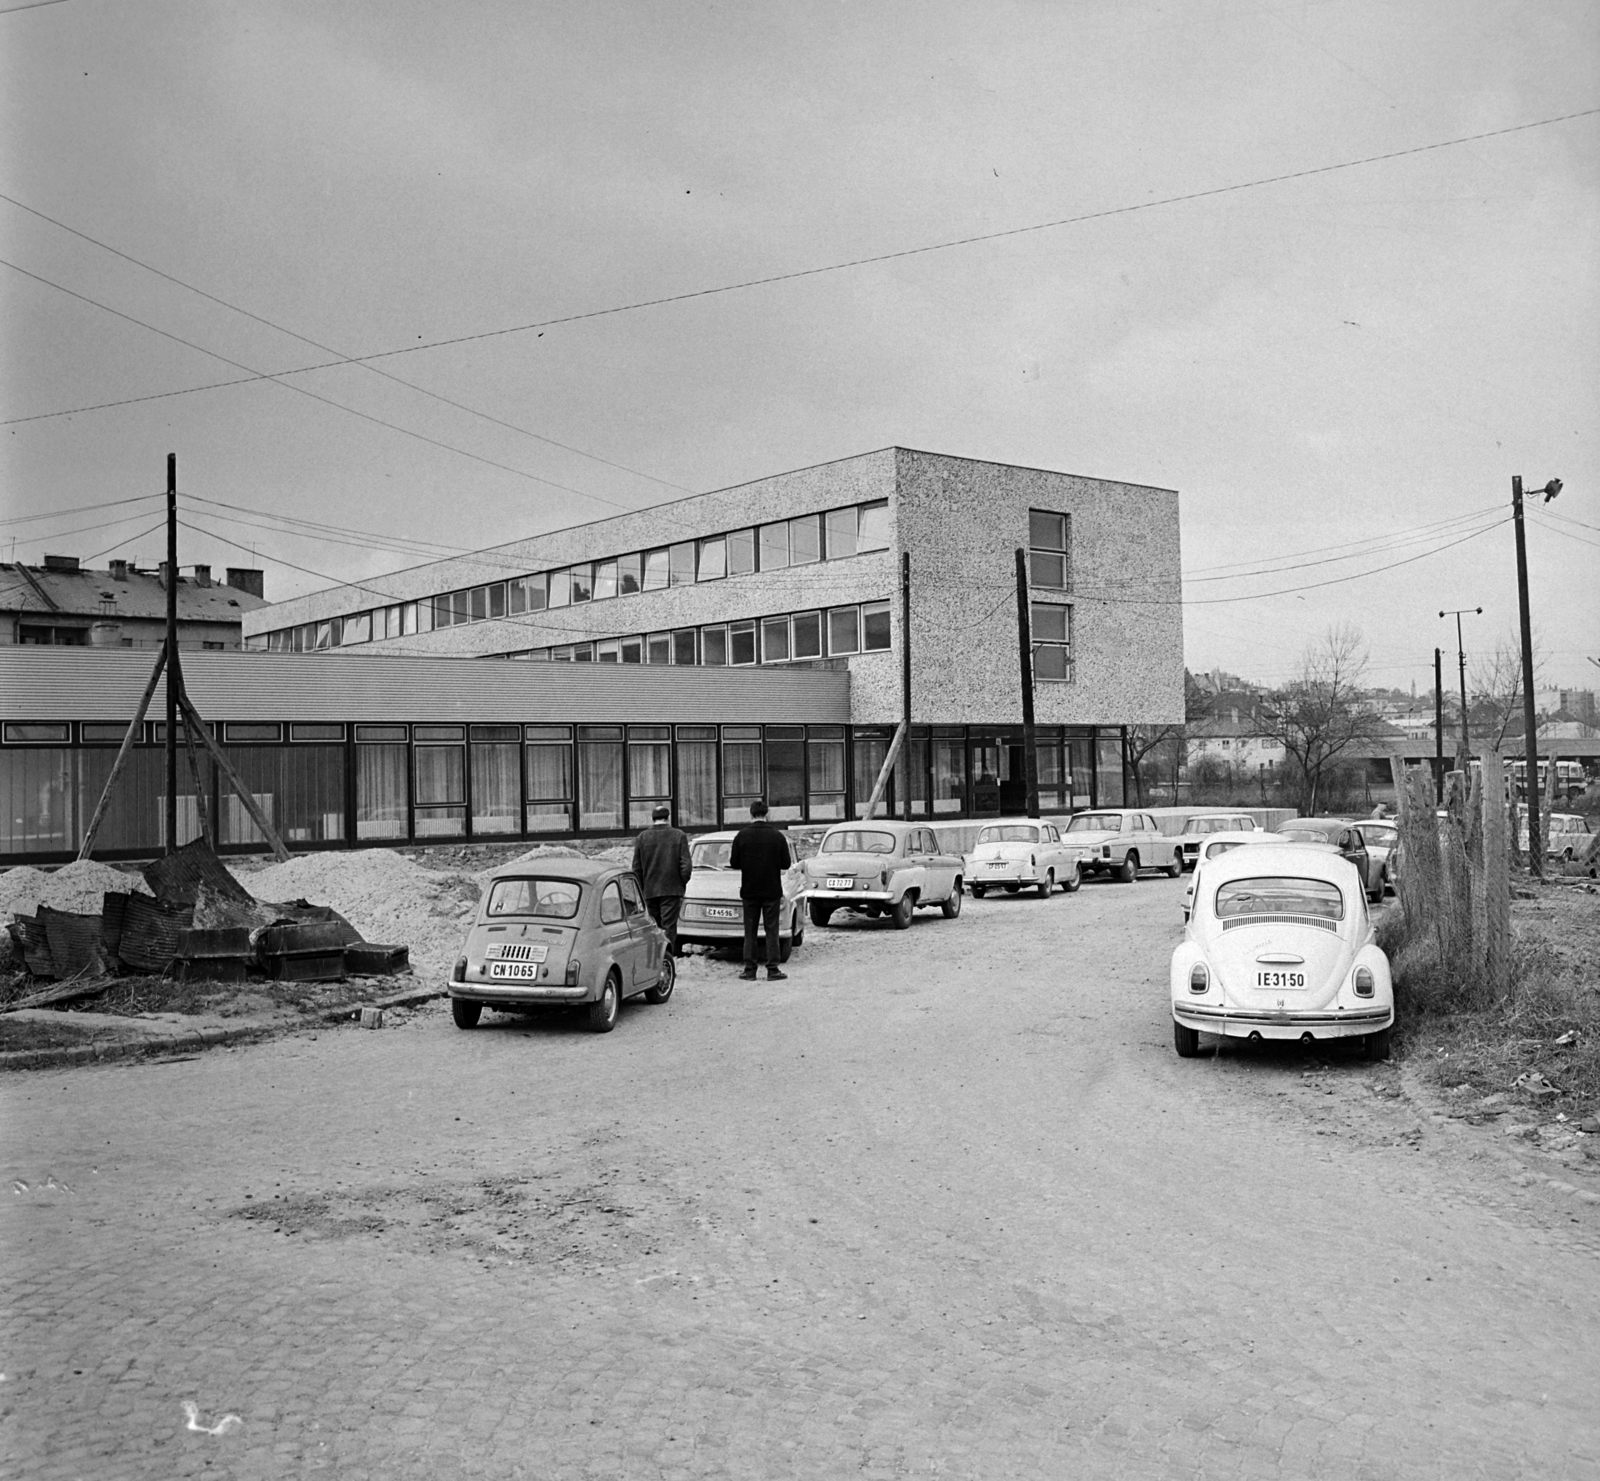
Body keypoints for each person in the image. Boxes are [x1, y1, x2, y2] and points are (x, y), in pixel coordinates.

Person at [728, 798, 791, 981]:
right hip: (771, 889)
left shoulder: (742, 836)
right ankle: (773, 969)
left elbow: (734, 863)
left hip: (750, 890)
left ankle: (750, 970)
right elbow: (786, 863)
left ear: (751, 814)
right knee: (772, 930)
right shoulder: (777, 836)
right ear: (766, 814)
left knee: (750, 930)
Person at [631, 804, 693, 957]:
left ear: (653, 819)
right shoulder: (679, 835)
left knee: (652, 927)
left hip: (650, 890)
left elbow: (636, 868)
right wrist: (680, 882)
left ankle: (653, 963)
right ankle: (667, 961)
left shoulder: (642, 837)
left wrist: (641, 889)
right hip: (672, 889)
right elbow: (686, 865)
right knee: (669, 928)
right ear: (668, 818)